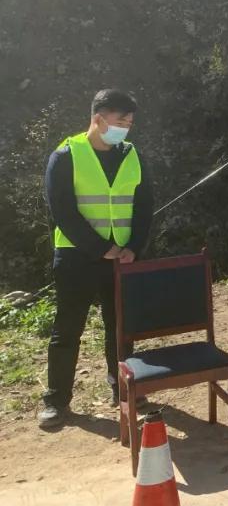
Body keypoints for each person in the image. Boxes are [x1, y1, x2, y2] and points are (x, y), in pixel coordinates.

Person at [38, 89, 154, 429]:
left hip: (122, 258)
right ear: (99, 118)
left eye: (130, 123)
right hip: (77, 257)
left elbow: (144, 205)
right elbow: (62, 212)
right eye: (121, 120)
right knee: (67, 329)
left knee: (120, 328)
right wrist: (100, 247)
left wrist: (134, 247)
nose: (125, 128)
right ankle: (56, 401)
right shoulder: (66, 155)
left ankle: (124, 387)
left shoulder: (132, 155)